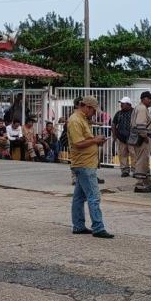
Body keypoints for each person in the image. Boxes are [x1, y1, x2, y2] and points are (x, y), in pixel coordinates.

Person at [68, 96, 113, 238]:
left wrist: (96, 141)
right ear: (87, 107)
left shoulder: (83, 119)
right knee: (94, 196)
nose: (94, 113)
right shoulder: (75, 120)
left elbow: (85, 140)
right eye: (93, 110)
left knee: (79, 197)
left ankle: (78, 226)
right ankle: (98, 227)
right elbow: (77, 143)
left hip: (86, 162)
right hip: (84, 163)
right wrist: (95, 140)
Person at [130, 91, 151, 193]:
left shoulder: (140, 107)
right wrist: (145, 136)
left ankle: (147, 182)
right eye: (150, 98)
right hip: (142, 139)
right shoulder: (142, 108)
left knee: (144, 160)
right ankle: (139, 185)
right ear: (143, 99)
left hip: (141, 138)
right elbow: (140, 124)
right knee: (142, 161)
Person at [111, 97, 133, 177]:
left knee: (134, 154)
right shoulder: (119, 113)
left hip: (132, 138)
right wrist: (114, 135)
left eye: (123, 104)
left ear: (128, 104)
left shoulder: (134, 112)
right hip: (121, 137)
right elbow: (113, 124)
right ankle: (125, 170)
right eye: (121, 103)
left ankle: (135, 170)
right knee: (122, 155)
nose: (121, 105)